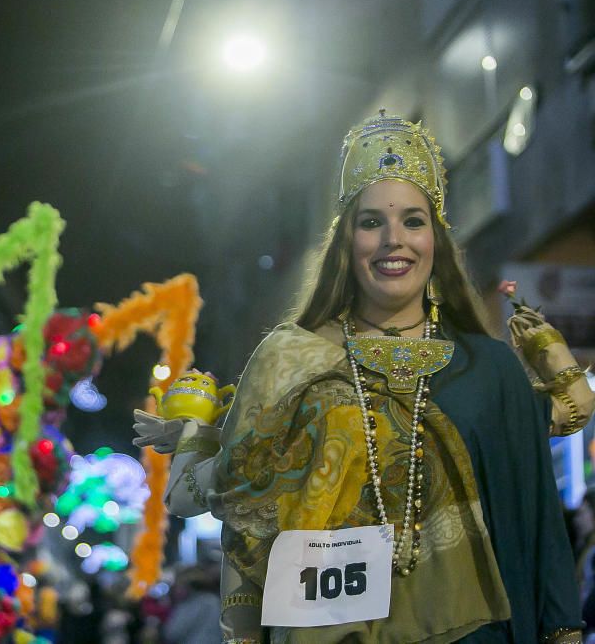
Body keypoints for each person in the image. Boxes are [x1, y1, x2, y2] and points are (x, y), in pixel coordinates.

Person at [136, 112, 594, 643]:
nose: (392, 240)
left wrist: (547, 347)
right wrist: (197, 437)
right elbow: (243, 522)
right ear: (346, 241)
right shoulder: (289, 358)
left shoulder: (486, 366)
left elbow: (538, 516)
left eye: (413, 221)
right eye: (371, 222)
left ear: (436, 240)